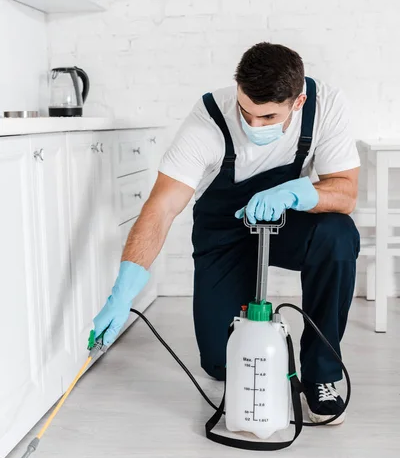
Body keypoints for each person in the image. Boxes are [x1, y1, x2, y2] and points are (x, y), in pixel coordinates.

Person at [93, 42, 360, 425]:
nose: (253, 125)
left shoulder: (326, 107)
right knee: (221, 364)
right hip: (225, 230)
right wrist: (123, 290)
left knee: (338, 234)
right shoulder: (208, 118)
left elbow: (346, 192)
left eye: (267, 117)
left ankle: (322, 375)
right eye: (246, 111)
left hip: (284, 221)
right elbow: (162, 206)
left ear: (298, 102)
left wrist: (295, 192)